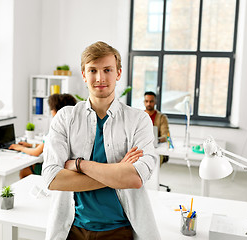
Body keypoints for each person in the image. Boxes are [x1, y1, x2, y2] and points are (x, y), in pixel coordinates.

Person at [42, 41, 160, 240]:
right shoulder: (65, 118)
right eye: (93, 70)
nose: (100, 78)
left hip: (118, 230)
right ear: (84, 74)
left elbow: (134, 179)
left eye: (107, 69)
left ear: (118, 73)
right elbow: (53, 179)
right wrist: (117, 172)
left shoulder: (138, 120)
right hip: (71, 229)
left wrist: (79, 164)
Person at [9, 93, 77, 179]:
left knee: (25, 169)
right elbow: (51, 145)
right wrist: (30, 145)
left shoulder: (56, 130)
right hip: (69, 167)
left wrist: (20, 148)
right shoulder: (74, 127)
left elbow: (36, 152)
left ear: (55, 111)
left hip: (55, 169)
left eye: (51, 109)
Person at [144, 91, 170, 165]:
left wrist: (156, 140)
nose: (148, 104)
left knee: (153, 161)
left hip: (156, 147)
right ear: (144, 102)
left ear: (155, 102)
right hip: (142, 146)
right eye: (146, 101)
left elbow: (166, 135)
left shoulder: (162, 117)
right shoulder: (140, 116)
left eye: (151, 101)